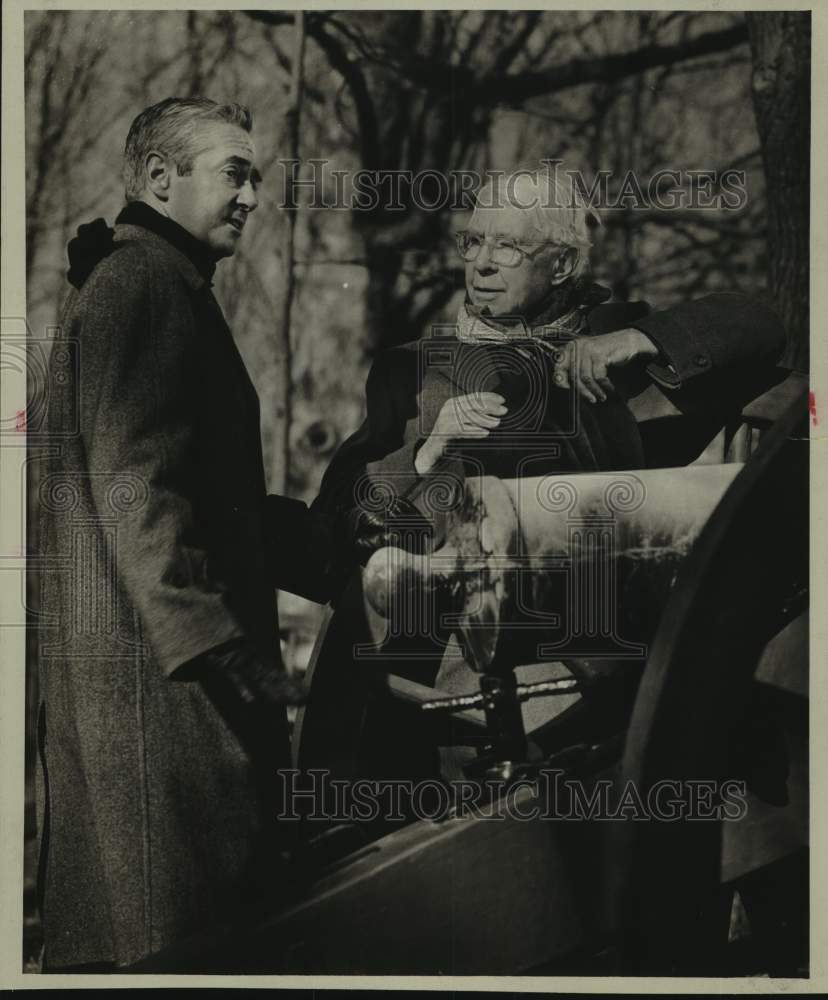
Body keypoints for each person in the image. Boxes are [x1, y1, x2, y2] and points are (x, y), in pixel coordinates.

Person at [302, 163, 786, 787]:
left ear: (561, 266)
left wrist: (640, 339)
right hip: (449, 655)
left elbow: (759, 324)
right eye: (473, 242)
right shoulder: (413, 369)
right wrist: (428, 446)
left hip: (594, 655)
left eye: (507, 246)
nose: (480, 264)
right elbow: (342, 510)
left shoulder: (616, 342)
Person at [35, 97, 336, 972]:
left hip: (139, 683)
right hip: (163, 699)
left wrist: (333, 552)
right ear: (161, 179)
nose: (252, 196)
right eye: (235, 173)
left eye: (258, 179)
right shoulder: (149, 287)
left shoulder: (142, 284)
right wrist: (220, 650)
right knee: (183, 943)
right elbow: (135, 487)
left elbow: (211, 501)